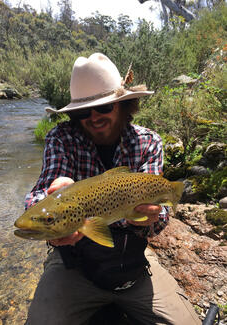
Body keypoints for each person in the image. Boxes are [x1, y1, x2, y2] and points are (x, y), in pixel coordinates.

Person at [24, 53, 201, 325]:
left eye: (104, 108)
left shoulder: (148, 142)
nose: (94, 117)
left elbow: (160, 219)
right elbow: (40, 194)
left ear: (122, 106)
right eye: (83, 111)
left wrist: (149, 216)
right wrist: (52, 199)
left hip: (132, 267)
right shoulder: (61, 138)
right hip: (75, 269)